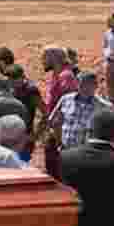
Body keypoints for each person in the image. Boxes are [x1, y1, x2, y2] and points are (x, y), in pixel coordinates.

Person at [48, 71, 114, 152]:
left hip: (87, 154)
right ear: (77, 84)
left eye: (89, 85)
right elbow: (52, 120)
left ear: (96, 86)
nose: (85, 88)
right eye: (82, 84)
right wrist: (59, 142)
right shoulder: (65, 99)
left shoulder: (104, 106)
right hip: (65, 151)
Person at [41, 46, 79, 179]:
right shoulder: (57, 75)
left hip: (61, 132)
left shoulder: (66, 77)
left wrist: (59, 136)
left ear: (53, 58)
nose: (42, 61)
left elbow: (69, 106)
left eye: (44, 58)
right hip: (54, 129)